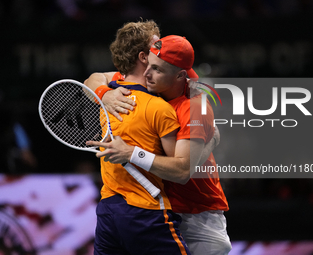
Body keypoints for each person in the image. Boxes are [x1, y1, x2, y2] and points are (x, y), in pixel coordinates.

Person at [87, 35, 232, 254]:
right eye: (147, 65)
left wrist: (131, 153)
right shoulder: (154, 80)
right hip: (159, 209)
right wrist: (104, 94)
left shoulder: (193, 107)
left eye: (156, 69)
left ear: (179, 76)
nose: (146, 73)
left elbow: (182, 171)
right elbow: (93, 79)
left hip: (197, 216)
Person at [85, 20, 192, 255]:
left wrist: (103, 94)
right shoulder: (159, 108)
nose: (162, 48)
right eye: (157, 45)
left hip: (107, 211)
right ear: (144, 57)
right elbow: (180, 171)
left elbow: (91, 80)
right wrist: (134, 154)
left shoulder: (110, 93)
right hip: (146, 212)